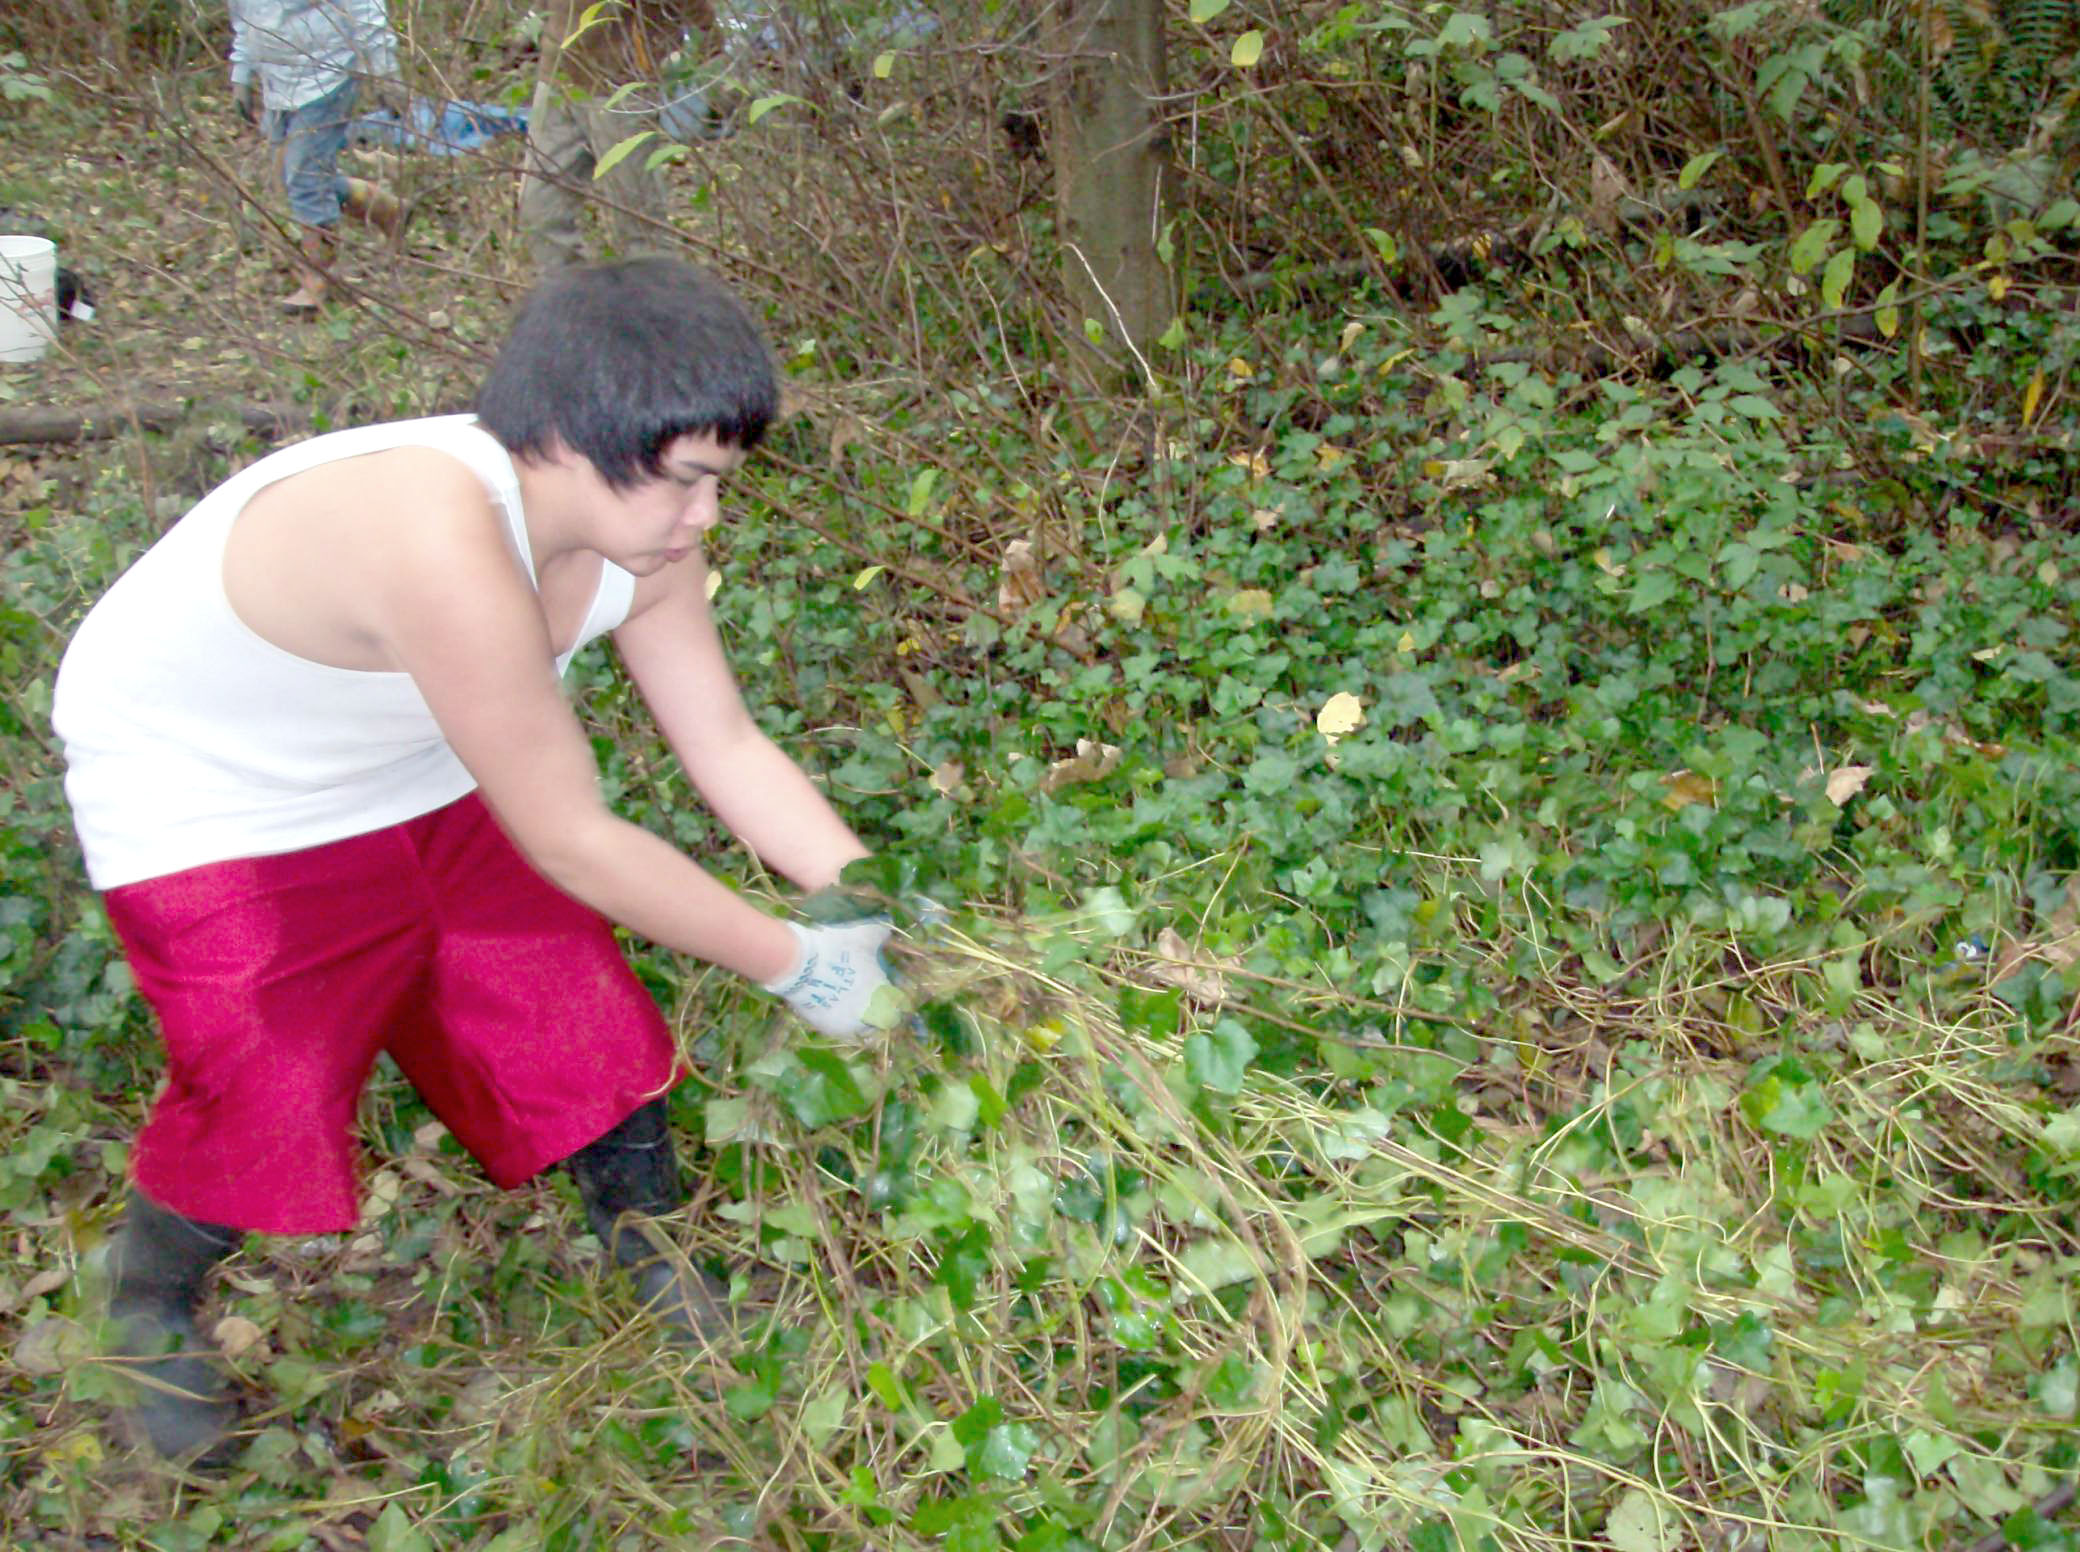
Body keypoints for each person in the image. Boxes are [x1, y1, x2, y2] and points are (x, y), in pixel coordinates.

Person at [52, 259, 899, 1462]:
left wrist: (863, 897)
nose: (706, 516)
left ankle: (643, 1239)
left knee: (553, 987)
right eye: (688, 481)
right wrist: (798, 966)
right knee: (267, 1065)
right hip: (218, 786)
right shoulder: (437, 534)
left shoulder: (642, 542)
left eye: (721, 481)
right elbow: (572, 835)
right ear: (569, 438)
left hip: (420, 747)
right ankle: (142, 1303)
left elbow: (724, 737)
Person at [230, 0, 409, 311]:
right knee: (290, 179)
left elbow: (364, 7)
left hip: (327, 77)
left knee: (306, 180)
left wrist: (386, 71)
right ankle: (389, 210)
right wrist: (241, 75)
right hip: (278, 84)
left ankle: (319, 279)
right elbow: (246, 19)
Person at [519, 0, 715, 271]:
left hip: (622, 82)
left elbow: (700, 20)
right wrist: (530, 29)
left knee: (639, 226)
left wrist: (707, 42)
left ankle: (657, 306)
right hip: (557, 77)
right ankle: (572, 303)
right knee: (540, 210)